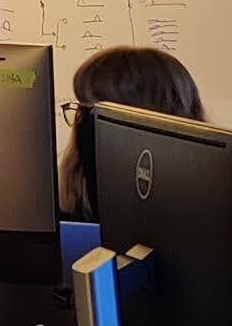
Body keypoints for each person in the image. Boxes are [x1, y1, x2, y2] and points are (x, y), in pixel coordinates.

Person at [61, 41, 204, 215]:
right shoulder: (77, 203)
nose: (82, 124)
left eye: (95, 113)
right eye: (83, 110)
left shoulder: (202, 208)